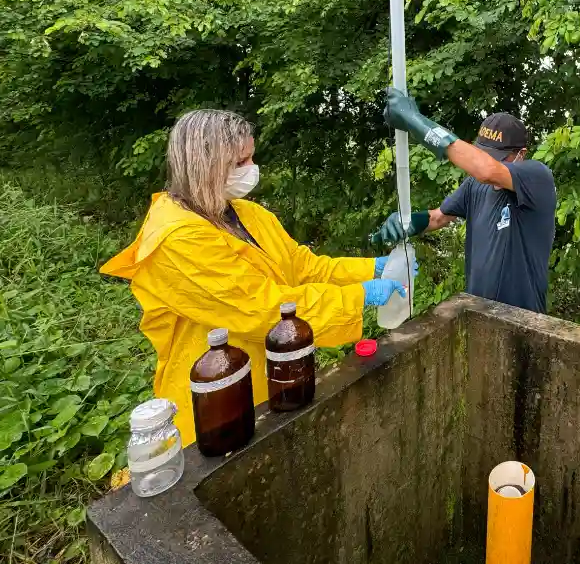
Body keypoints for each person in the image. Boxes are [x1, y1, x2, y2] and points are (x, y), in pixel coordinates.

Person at [101, 110, 409, 446]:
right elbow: (261, 307)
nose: (251, 169)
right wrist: (358, 296)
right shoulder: (176, 238)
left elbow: (302, 266)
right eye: (240, 161)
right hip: (218, 389)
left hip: (274, 371)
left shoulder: (246, 213)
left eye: (252, 156)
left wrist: (370, 270)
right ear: (206, 166)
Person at [371, 90, 556, 314]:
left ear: (521, 154)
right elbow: (438, 217)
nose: (489, 161)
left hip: (524, 320)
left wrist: (415, 122)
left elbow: (486, 170)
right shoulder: (474, 185)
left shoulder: (536, 177)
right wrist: (408, 222)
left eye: (498, 157)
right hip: (478, 313)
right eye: (484, 153)